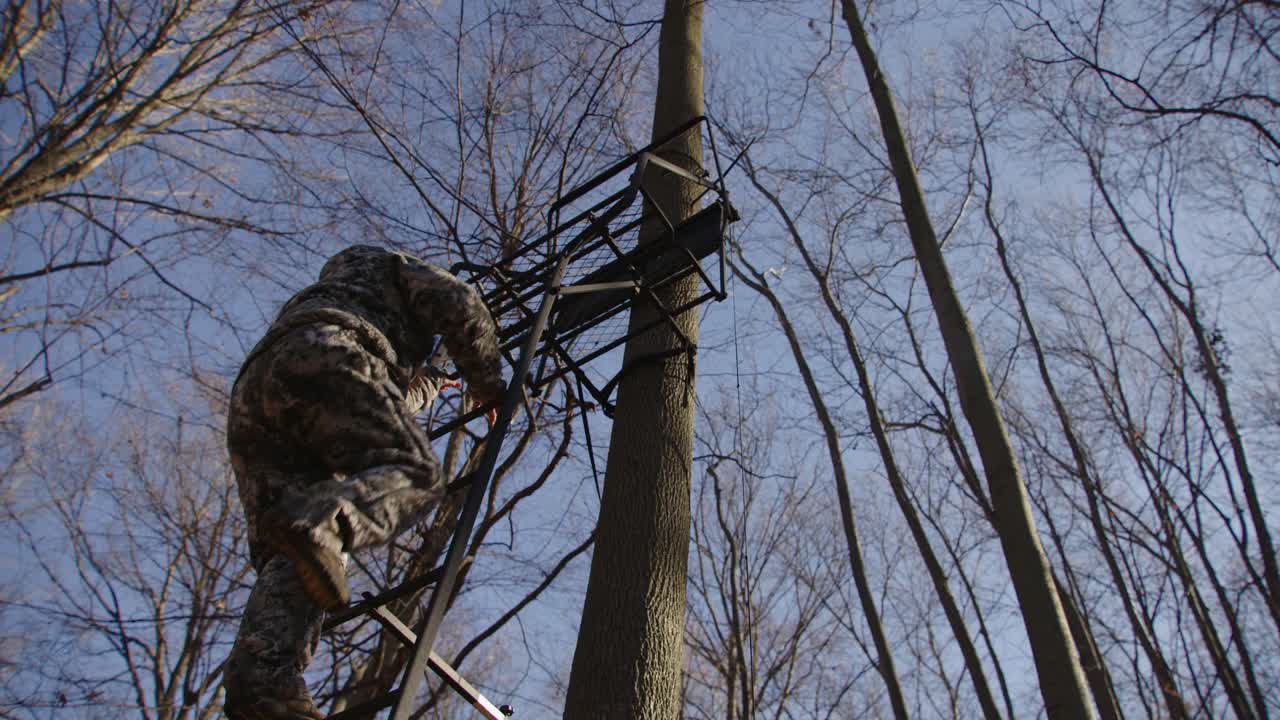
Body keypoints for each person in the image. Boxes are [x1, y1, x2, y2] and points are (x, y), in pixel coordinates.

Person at [222, 245, 504, 719]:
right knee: (414, 472)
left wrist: (434, 384)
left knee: (289, 555)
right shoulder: (391, 266)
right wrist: (487, 381)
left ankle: (263, 680)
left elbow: (363, 400)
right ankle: (326, 524)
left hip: (257, 390)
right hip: (330, 349)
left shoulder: (333, 295)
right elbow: (460, 301)